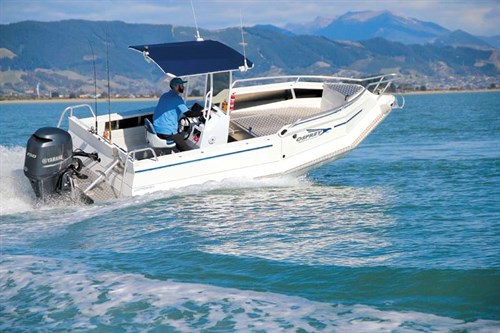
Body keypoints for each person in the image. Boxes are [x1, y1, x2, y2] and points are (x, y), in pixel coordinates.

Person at [153, 77, 202, 151]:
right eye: (181, 85)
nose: (183, 87)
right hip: (167, 132)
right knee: (186, 149)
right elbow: (188, 114)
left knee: (179, 139)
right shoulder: (177, 99)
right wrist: (202, 113)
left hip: (157, 130)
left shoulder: (164, 96)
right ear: (176, 86)